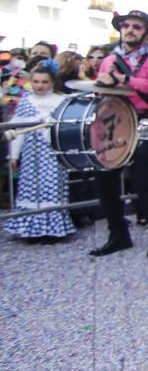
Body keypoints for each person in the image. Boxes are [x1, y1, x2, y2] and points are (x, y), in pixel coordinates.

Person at [91, 11, 148, 258]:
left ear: (147, 32)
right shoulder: (109, 59)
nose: (129, 30)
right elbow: (100, 86)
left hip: (144, 121)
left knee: (143, 181)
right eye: (125, 25)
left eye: (136, 26)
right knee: (105, 180)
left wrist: (126, 79)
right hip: (113, 123)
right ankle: (118, 236)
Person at [3, 64, 73, 242]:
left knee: (53, 188)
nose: (39, 86)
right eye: (35, 82)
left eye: (44, 82)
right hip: (31, 154)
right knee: (30, 188)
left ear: (52, 82)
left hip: (53, 152)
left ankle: (51, 230)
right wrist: (14, 155)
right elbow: (18, 128)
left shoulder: (61, 100)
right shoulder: (26, 101)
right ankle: (32, 230)